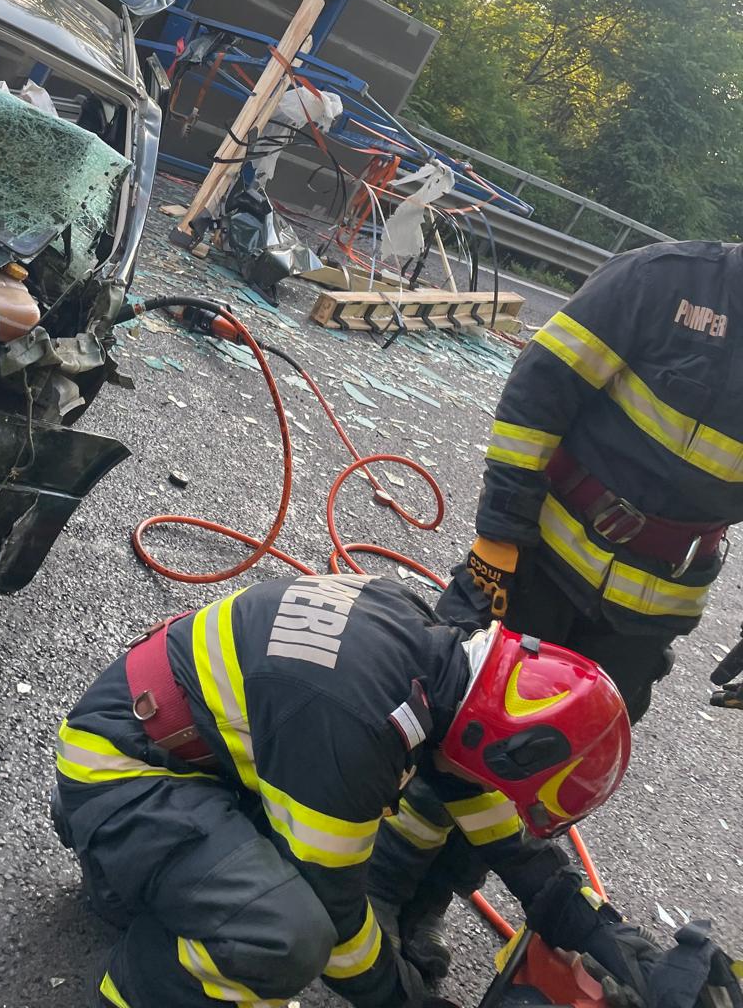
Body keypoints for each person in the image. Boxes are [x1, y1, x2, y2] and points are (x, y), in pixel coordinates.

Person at [369, 240, 743, 981]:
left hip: (648, 611)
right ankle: (373, 879)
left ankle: (429, 901)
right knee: (455, 722)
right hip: (538, 558)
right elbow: (539, 390)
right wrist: (498, 541)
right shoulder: (665, 283)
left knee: (537, 771)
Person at [50, 571, 665, 1008]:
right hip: (120, 773)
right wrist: (407, 1001)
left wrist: (597, 929)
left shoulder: (430, 651)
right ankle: (136, 989)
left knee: (325, 866)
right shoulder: (353, 726)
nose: (495, 795)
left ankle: (144, 884)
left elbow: (489, 817)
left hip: (180, 746)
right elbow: (340, 927)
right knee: (288, 935)